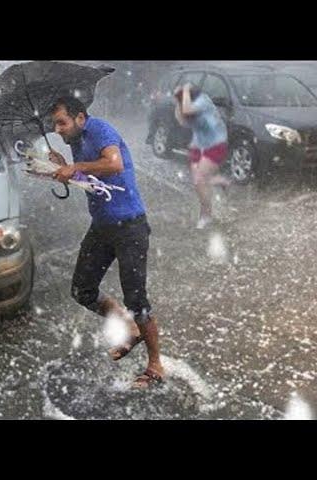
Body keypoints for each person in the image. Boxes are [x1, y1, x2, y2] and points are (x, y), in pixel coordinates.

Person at [48, 96, 164, 388]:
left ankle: (155, 364)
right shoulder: (75, 142)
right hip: (101, 226)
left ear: (80, 118)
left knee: (137, 300)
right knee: (82, 289)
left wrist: (75, 167)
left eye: (62, 122)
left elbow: (114, 164)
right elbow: (92, 180)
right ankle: (130, 328)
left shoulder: (99, 129)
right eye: (54, 125)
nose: (58, 130)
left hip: (130, 227)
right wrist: (66, 169)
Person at [174, 83, 230, 229]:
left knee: (200, 180)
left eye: (181, 96)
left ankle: (206, 215)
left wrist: (184, 90)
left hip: (215, 143)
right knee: (198, 182)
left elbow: (186, 111)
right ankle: (217, 180)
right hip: (198, 144)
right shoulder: (187, 103)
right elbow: (182, 121)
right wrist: (178, 101)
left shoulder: (202, 101)